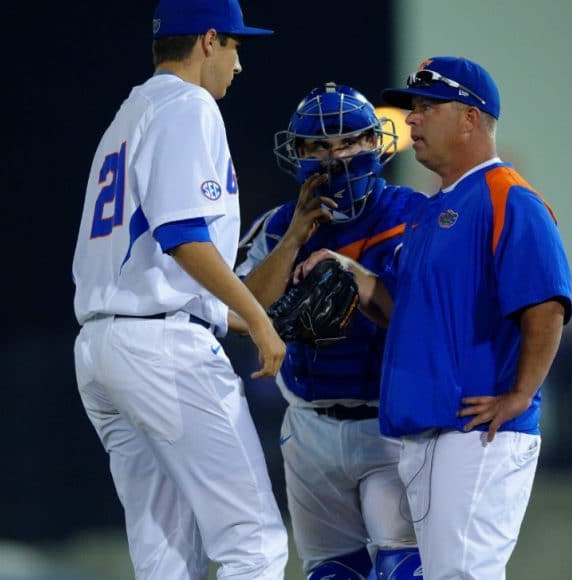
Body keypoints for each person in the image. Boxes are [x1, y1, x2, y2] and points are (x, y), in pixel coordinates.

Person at [293, 57, 572, 579]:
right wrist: (348, 271)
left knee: (461, 575)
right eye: (412, 109)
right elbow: (404, 309)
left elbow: (547, 304)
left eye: (426, 107)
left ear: (470, 118)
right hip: (425, 434)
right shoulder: (428, 211)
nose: (412, 120)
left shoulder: (507, 196)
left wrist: (519, 394)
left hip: (478, 429)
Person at [71, 1, 288, 578]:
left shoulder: (129, 113)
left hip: (104, 347)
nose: (238, 66)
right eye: (237, 47)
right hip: (160, 350)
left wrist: (238, 315)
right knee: (256, 543)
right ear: (209, 41)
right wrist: (260, 321)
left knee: (166, 559)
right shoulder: (187, 105)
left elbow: (150, 255)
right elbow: (182, 235)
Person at [236, 83, 425, 579]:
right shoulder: (277, 227)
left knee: (406, 567)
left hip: (392, 425)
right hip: (310, 424)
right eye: (319, 146)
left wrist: (354, 276)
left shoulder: (413, 215)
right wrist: (295, 239)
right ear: (297, 153)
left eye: (348, 141)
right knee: (330, 572)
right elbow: (237, 311)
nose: (334, 157)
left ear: (374, 142)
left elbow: (422, 317)